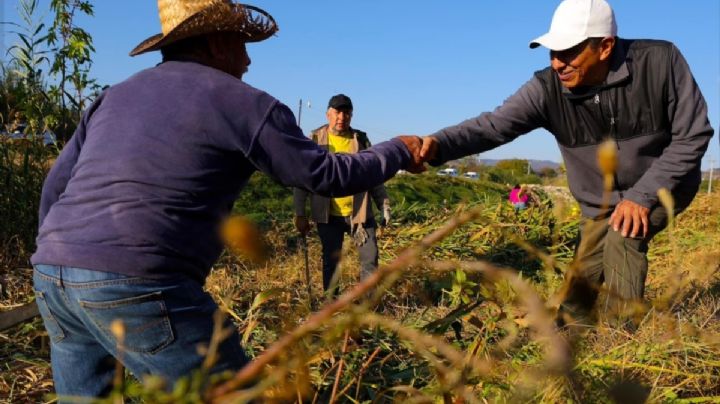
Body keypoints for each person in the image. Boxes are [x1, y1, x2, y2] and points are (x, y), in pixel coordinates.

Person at [30, 0, 424, 399]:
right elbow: (326, 175)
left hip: (52, 278)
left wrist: (59, 257)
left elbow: (55, 187)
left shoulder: (113, 96)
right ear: (218, 42)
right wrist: (398, 150)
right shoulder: (244, 102)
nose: (248, 60)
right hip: (142, 281)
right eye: (242, 43)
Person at [417, 0, 713, 325]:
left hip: (664, 184)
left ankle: (621, 341)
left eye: (569, 52)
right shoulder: (547, 88)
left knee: (623, 236)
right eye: (552, 52)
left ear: (605, 46)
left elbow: (693, 135)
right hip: (600, 201)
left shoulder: (660, 62)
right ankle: (568, 338)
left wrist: (641, 197)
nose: (558, 63)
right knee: (583, 274)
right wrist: (438, 145)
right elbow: (493, 126)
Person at [293, 94, 392, 294]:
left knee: (370, 260)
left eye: (346, 113)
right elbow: (302, 180)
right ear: (328, 114)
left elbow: (374, 175)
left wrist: (384, 204)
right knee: (332, 262)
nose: (341, 117)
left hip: (360, 214)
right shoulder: (315, 141)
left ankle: (368, 306)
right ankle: (332, 305)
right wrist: (300, 213)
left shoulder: (360, 140)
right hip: (328, 215)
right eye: (337, 112)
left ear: (351, 116)